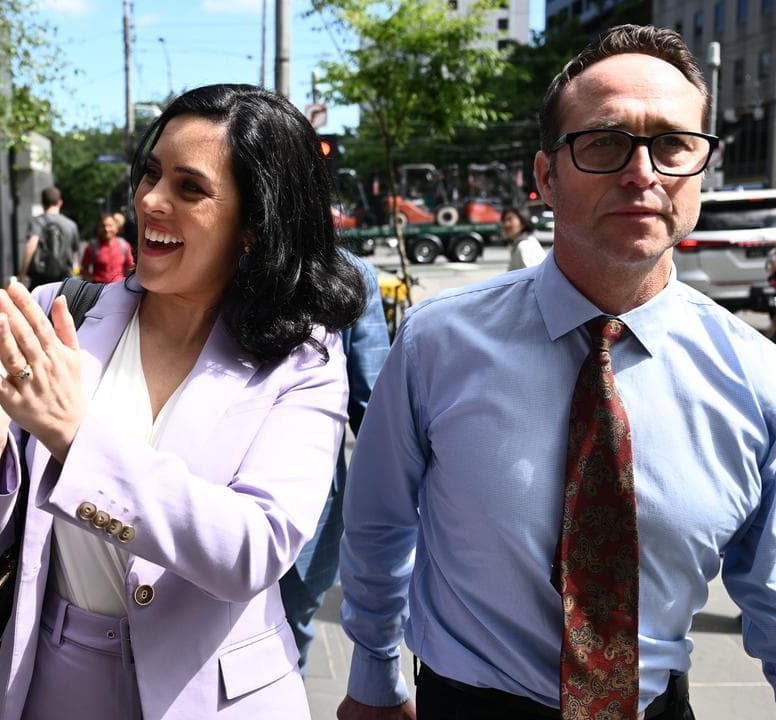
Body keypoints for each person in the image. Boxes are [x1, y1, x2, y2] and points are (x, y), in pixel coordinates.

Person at [337, 25, 776, 720]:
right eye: (604, 142)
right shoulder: (437, 344)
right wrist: (372, 676)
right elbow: (379, 524)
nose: (643, 172)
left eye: (672, 144)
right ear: (545, 176)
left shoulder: (756, 375)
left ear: (702, 168)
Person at [0, 83, 367, 719]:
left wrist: (77, 439)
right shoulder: (57, 313)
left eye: (189, 187)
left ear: (255, 224)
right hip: (52, 680)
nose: (150, 200)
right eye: (149, 173)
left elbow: (254, 548)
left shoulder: (304, 359)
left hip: (217, 696)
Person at [278, 250, 389, 674]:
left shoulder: (349, 274)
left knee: (288, 644)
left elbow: (375, 412)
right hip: (214, 502)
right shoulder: (206, 254)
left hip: (309, 518)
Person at [20, 186, 82, 288]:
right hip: (64, 279)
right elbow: (75, 255)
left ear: (42, 204)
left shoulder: (36, 222)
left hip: (40, 279)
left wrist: (22, 275)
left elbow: (31, 245)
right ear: (60, 202)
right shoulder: (71, 225)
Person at [80, 213, 136, 283]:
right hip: (99, 289)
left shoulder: (124, 245)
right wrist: (90, 285)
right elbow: (84, 269)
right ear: (98, 228)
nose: (106, 229)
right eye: (103, 226)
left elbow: (130, 266)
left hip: (119, 288)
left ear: (116, 228)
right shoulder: (92, 246)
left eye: (110, 226)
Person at [503, 205, 547, 271]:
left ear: (523, 222)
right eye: (504, 221)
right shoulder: (524, 243)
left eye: (510, 219)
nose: (506, 224)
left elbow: (531, 278)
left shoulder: (525, 246)